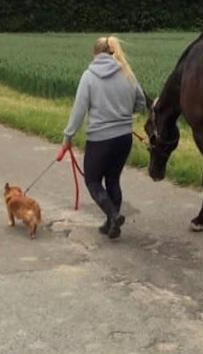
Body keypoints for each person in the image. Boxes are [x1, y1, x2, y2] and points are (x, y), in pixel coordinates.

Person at [61, 36, 147, 239]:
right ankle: (111, 224)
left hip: (100, 140)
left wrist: (68, 137)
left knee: (92, 181)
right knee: (113, 180)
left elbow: (79, 110)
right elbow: (141, 102)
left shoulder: (89, 76)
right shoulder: (127, 73)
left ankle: (113, 215)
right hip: (124, 138)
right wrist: (125, 115)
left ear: (95, 53)